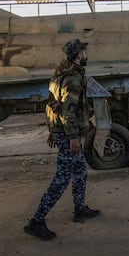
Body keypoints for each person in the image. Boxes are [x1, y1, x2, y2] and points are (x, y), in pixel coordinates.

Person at [24, 38, 100, 241]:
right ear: (78, 56)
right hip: (68, 133)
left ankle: (80, 208)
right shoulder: (73, 78)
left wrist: (53, 129)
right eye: (84, 52)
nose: (87, 55)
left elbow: (52, 103)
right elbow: (68, 111)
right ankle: (36, 221)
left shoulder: (59, 73)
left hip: (62, 130)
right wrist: (73, 137)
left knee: (80, 171)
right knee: (62, 179)